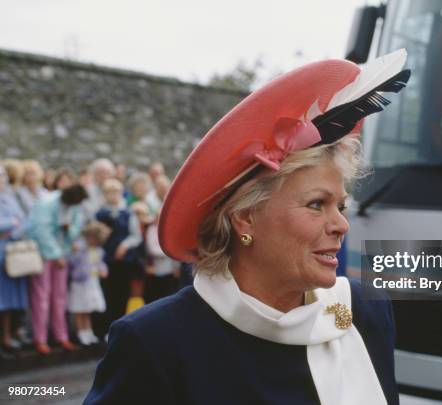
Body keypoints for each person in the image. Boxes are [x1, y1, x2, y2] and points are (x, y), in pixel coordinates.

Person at [85, 49, 410, 404]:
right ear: (245, 217)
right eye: (317, 204)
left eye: (341, 206)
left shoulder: (361, 308)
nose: (341, 224)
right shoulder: (157, 343)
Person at [26, 184, 88, 354]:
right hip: (43, 254)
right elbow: (41, 231)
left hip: (62, 254)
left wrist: (70, 231)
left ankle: (61, 336)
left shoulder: (74, 206)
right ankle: (40, 338)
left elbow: (76, 227)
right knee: (41, 296)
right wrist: (56, 254)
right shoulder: (47, 203)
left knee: (60, 297)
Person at [94, 179, 143, 336]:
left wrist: (124, 246)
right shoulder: (100, 213)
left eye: (115, 192)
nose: (113, 195)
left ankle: (119, 329)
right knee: (106, 293)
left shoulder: (128, 213)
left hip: (123, 260)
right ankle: (103, 329)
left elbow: (136, 236)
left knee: (122, 294)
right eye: (109, 192)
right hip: (104, 259)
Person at [68, 220, 110, 346]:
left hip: (92, 281)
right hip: (81, 282)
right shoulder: (80, 248)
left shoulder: (98, 250)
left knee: (88, 308)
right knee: (80, 307)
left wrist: (103, 269)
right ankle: (81, 332)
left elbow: (99, 263)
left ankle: (88, 331)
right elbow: (73, 262)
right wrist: (75, 252)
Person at [0, 164, 28, 354]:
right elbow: (11, 222)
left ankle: (7, 336)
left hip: (10, 257)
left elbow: (23, 222)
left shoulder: (8, 198)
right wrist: (10, 224)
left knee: (8, 303)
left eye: (2, 175)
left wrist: (11, 226)